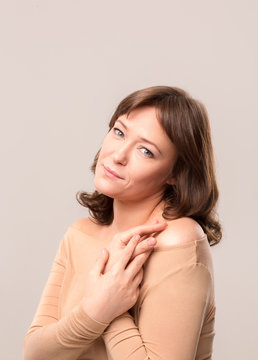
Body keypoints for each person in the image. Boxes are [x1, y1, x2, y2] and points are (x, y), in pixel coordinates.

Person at [23, 85, 222, 360]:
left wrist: (112, 310)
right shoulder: (79, 234)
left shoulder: (178, 240)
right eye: (119, 132)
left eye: (146, 151)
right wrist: (96, 310)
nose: (118, 155)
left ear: (176, 173)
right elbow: (34, 353)